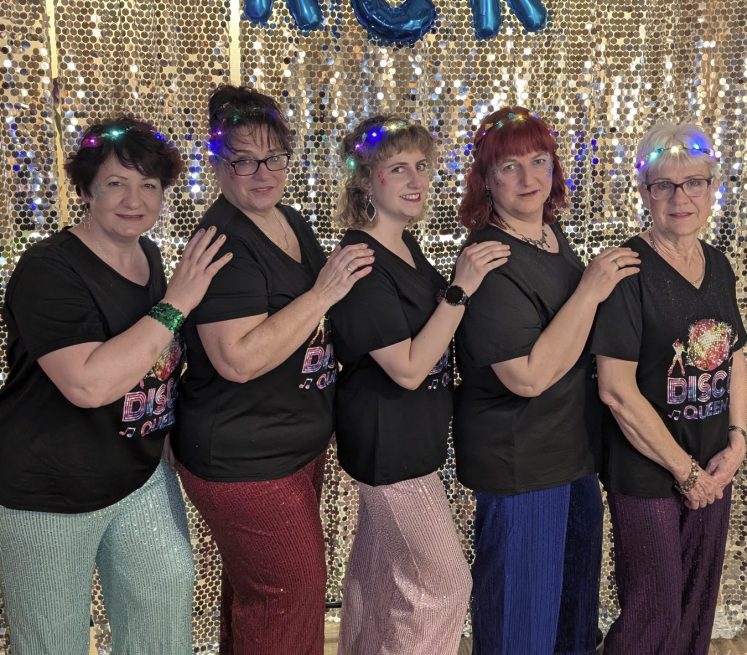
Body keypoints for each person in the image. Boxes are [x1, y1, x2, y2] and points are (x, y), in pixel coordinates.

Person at [0, 117, 229, 654]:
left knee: (163, 615)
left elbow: (153, 363)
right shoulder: (48, 269)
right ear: (85, 189)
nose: (135, 200)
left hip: (138, 476)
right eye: (116, 183)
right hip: (47, 492)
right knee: (53, 642)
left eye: (149, 184)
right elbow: (87, 385)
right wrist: (177, 303)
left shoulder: (148, 256)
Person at [171, 85, 374, 655]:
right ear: (218, 165)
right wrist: (323, 293)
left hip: (291, 445)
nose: (262, 174)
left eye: (273, 158)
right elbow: (237, 359)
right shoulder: (222, 243)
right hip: (245, 456)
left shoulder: (288, 219)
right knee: (288, 600)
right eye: (244, 160)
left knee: (260, 601)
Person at [453, 106, 640, 655]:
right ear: (486, 180)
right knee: (522, 627)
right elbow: (528, 377)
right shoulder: (488, 258)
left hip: (573, 454)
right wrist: (591, 290)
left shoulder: (550, 236)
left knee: (571, 624)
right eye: (509, 167)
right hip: (523, 464)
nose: (528, 178)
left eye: (539, 161)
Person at [328, 116, 509, 654]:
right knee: (443, 586)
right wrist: (461, 289)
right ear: (366, 180)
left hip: (410, 442)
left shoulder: (403, 247)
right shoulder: (361, 261)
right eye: (398, 168)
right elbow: (408, 368)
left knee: (379, 581)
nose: (416, 180)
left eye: (423, 166)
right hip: (389, 448)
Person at [591, 123, 747, 654]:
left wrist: (737, 440)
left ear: (713, 188)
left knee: (696, 607)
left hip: (713, 464)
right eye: (663, 185)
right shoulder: (627, 271)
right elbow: (615, 390)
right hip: (648, 471)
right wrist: (685, 472)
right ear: (644, 193)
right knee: (654, 613)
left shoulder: (718, 264)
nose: (680, 198)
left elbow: (735, 355)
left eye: (694, 183)